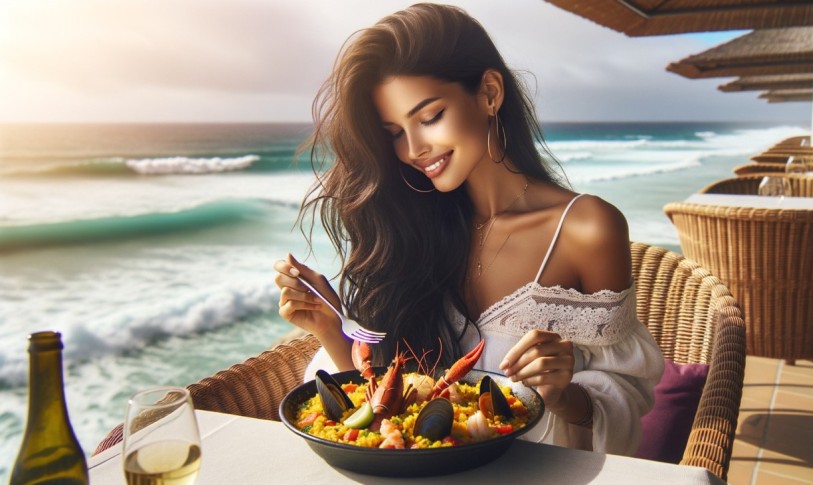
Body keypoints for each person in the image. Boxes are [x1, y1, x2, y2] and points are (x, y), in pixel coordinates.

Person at [273, 3, 663, 455]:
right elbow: (387, 409)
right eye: (395, 132)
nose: (414, 149)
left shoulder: (587, 229)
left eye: (429, 116)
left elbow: (627, 401)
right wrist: (330, 330)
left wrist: (561, 394)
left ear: (490, 93)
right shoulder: (414, 230)